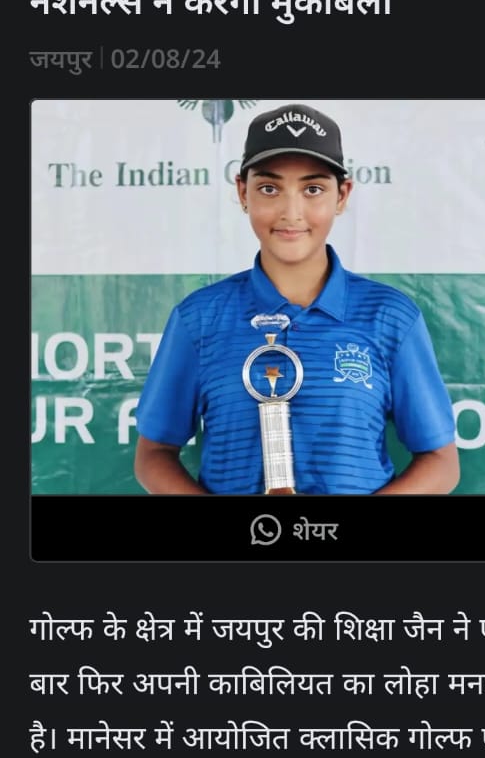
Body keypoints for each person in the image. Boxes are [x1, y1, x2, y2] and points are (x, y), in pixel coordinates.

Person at [134, 103, 459, 495]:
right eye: (269, 189)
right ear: (243, 192)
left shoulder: (390, 316)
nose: (291, 212)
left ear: (342, 195)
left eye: (313, 189)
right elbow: (154, 453)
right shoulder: (199, 319)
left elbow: (441, 462)